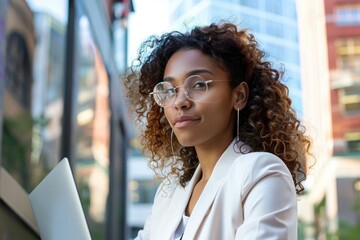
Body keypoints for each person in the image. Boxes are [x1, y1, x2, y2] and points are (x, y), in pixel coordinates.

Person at [124, 22, 312, 240]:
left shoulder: (262, 173)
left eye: (199, 85)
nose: (179, 102)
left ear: (239, 96)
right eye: (169, 90)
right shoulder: (170, 192)